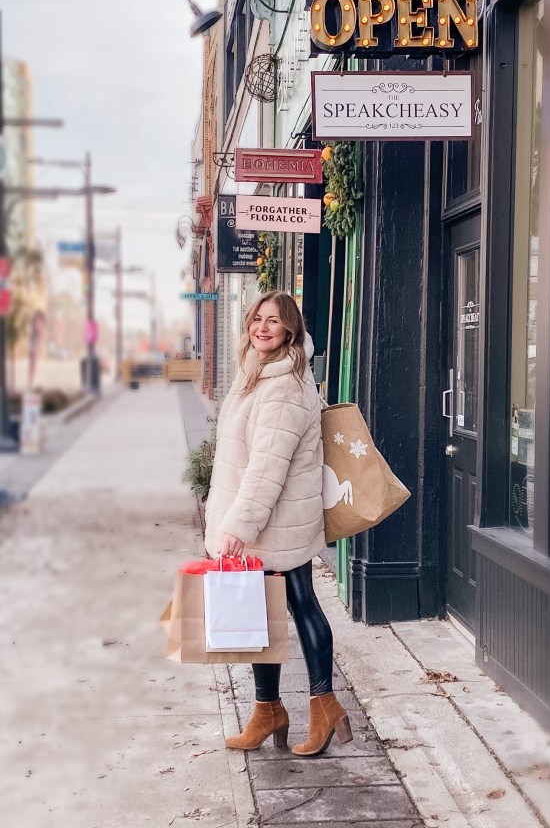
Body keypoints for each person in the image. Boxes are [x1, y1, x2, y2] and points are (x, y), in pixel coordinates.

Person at [204, 290, 352, 757]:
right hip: (271, 521)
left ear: (290, 330)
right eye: (257, 319)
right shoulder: (258, 373)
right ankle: (269, 711)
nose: (262, 328)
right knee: (264, 614)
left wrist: (239, 525)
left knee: (298, 605)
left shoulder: (284, 384)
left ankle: (321, 703)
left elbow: (267, 466)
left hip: (272, 522)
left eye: (274, 321)